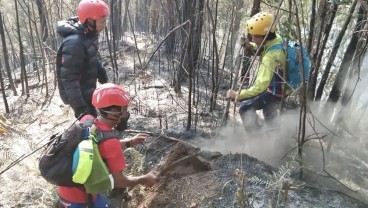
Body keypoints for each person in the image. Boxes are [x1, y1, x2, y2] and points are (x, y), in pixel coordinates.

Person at [58, 83, 158, 208]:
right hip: (82, 199)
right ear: (113, 113)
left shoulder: (87, 120)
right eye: (124, 110)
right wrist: (145, 179)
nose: (126, 114)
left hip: (64, 187)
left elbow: (99, 145)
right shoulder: (111, 143)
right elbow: (120, 181)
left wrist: (130, 142)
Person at [226, 12, 289, 133]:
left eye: (255, 36)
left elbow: (261, 86)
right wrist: (250, 46)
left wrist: (238, 95)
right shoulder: (276, 39)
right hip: (279, 87)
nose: (252, 38)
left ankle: (256, 140)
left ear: (265, 35)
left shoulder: (271, 57)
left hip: (277, 91)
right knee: (269, 112)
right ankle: (275, 140)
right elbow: (264, 47)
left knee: (245, 108)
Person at [56, 0, 109, 119]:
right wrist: (81, 110)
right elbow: (69, 80)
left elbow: (92, 58)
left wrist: (104, 78)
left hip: (88, 89)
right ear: (90, 21)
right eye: (102, 21)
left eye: (106, 20)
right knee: (90, 126)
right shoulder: (75, 43)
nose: (105, 24)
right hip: (79, 95)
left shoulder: (88, 35)